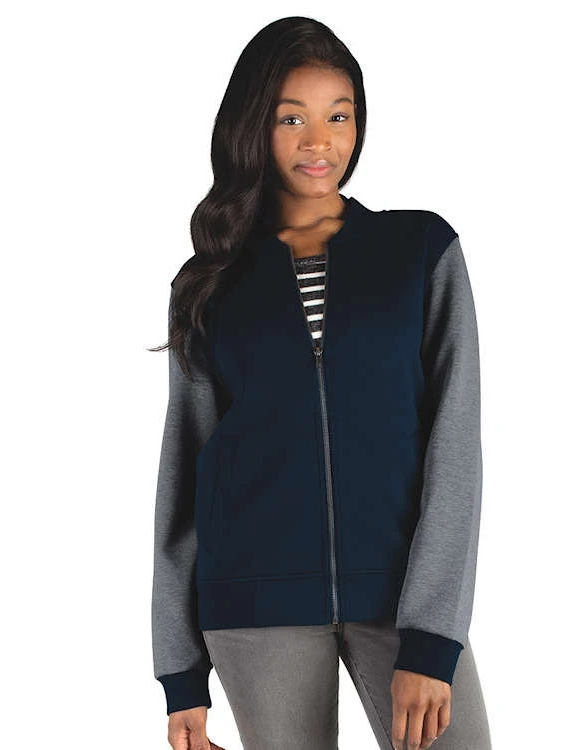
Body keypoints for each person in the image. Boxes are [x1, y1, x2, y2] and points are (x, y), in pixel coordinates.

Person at [150, 16, 492, 750]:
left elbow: (455, 445)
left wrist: (433, 633)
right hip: (254, 607)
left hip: (400, 596)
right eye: (291, 118)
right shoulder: (208, 282)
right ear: (254, 126)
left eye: (339, 115)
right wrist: (180, 673)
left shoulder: (419, 250)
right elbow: (184, 475)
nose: (319, 142)